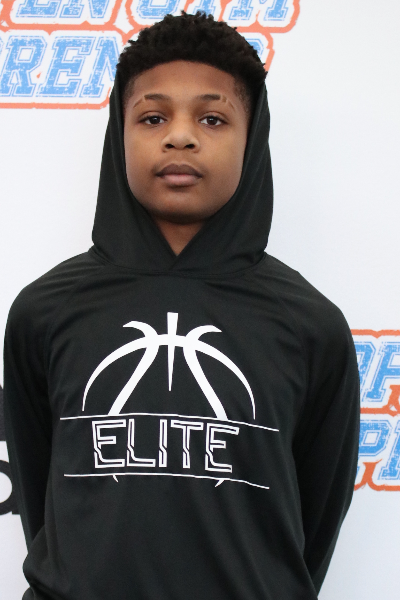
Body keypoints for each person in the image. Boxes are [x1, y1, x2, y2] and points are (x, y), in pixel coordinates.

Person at [4, 11, 360, 600]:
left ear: (253, 138)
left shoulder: (310, 326)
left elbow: (314, 522)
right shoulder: (45, 310)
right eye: (153, 117)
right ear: (120, 133)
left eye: (212, 118)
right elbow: (41, 493)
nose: (180, 136)